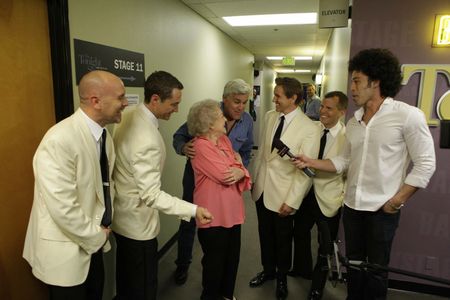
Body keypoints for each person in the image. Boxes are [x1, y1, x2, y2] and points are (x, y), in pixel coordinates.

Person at [296, 48, 436, 300]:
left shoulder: (407, 116)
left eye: (357, 80)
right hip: (351, 207)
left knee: (376, 272)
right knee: (355, 266)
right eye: (352, 81)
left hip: (382, 211)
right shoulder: (353, 122)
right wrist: (311, 161)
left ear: (376, 81)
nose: (352, 87)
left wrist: (397, 201)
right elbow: (344, 161)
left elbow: (426, 163)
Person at [23, 70, 128, 300]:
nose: (126, 103)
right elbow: (63, 207)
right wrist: (97, 236)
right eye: (121, 97)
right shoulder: (59, 140)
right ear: (95, 101)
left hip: (94, 246)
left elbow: (103, 188)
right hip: (66, 253)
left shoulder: (105, 137)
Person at [112, 71, 213, 300]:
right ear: (155, 99)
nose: (176, 110)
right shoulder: (146, 138)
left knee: (126, 282)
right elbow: (151, 195)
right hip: (138, 227)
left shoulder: (127, 114)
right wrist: (193, 210)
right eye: (174, 104)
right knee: (143, 288)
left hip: (121, 217)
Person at [172, 78, 253, 285]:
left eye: (245, 102)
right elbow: (179, 136)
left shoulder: (246, 121)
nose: (241, 107)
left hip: (227, 189)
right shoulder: (207, 114)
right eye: (237, 101)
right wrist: (183, 148)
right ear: (224, 100)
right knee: (189, 221)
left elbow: (244, 152)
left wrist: (239, 168)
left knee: (223, 240)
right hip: (200, 180)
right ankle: (183, 264)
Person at [249, 77, 320, 300]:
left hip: (284, 195)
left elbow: (306, 172)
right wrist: (254, 179)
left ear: (294, 99)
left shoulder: (309, 128)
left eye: (278, 95)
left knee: (282, 239)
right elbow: (262, 154)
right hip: (262, 189)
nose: (274, 99)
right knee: (264, 234)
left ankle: (281, 277)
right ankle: (268, 270)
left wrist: (292, 201)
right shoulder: (270, 117)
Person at [187, 99, 251, 300]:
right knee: (215, 263)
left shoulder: (224, 140)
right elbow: (226, 175)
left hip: (233, 211)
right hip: (212, 214)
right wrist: (239, 168)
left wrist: (240, 170)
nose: (225, 118)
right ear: (208, 124)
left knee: (232, 259)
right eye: (220, 116)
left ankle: (227, 295)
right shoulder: (200, 146)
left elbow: (238, 166)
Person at [290, 91, 348, 300]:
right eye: (322, 106)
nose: (322, 111)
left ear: (342, 112)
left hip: (329, 199)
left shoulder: (347, 137)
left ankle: (317, 287)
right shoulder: (312, 129)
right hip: (306, 192)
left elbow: (347, 172)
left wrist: (341, 197)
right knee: (300, 232)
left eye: (329, 108)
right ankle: (301, 268)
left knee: (325, 246)